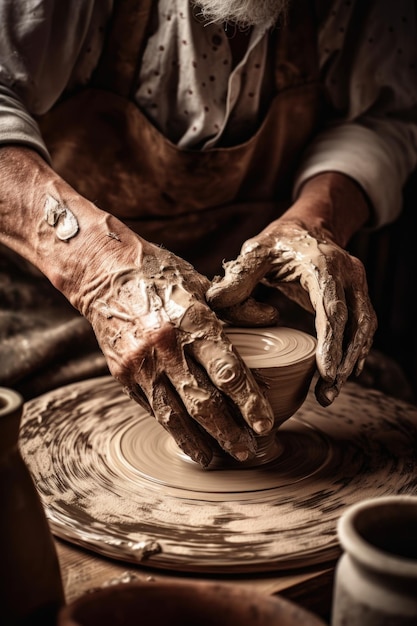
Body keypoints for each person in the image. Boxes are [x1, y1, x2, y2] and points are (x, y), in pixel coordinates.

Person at [0, 0, 416, 467]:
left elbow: (379, 118)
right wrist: (99, 268)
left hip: (254, 307)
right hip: (55, 298)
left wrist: (313, 223)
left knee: (375, 401)